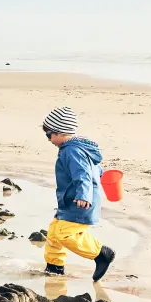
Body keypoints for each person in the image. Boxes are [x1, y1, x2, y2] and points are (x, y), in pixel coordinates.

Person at [42, 106, 115, 281]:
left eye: (49, 135)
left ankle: (101, 253)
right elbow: (94, 168)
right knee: (54, 232)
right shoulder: (78, 147)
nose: (49, 139)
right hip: (70, 201)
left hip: (80, 202)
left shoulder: (72, 151)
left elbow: (83, 174)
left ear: (60, 132)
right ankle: (54, 267)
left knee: (64, 234)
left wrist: (83, 195)